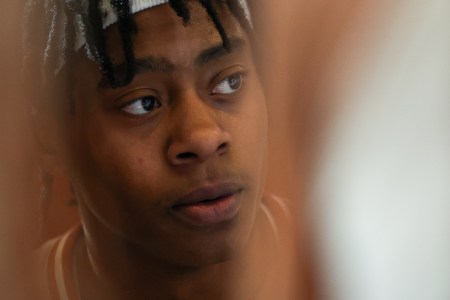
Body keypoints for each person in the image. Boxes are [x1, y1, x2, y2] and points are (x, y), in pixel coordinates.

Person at [26, 0, 295, 299]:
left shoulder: (342, 257)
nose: (204, 139)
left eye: (230, 82)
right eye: (143, 103)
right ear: (50, 138)